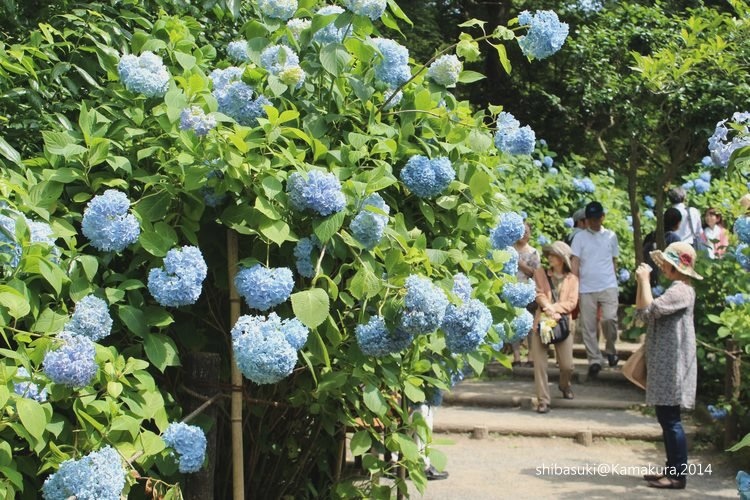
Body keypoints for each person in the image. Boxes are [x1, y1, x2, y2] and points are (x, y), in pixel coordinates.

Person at [634, 242, 701, 490]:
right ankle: (671, 469)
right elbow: (643, 313)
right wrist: (643, 284)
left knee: (671, 419)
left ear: (675, 266)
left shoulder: (682, 290)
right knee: (666, 417)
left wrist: (643, 281)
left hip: (673, 365)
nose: (661, 267)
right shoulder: (675, 288)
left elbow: (652, 308)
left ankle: (677, 475)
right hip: (665, 363)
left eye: (665, 263)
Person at [570, 201, 620, 376]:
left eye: (596, 218)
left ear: (602, 217)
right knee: (588, 326)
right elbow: (574, 262)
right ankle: (594, 359)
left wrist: (613, 280)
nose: (593, 222)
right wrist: (573, 285)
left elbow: (614, 262)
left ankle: (611, 350)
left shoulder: (611, 236)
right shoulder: (579, 237)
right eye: (590, 219)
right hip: (586, 287)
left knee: (609, 319)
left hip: (608, 285)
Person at [529, 241, 579, 414]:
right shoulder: (540, 273)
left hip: (563, 324)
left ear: (562, 259)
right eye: (549, 253)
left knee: (567, 365)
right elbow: (538, 293)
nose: (549, 257)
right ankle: (543, 400)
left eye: (554, 254)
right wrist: (548, 309)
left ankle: (565, 385)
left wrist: (554, 309)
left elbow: (572, 302)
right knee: (540, 364)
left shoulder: (573, 279)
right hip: (541, 322)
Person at [511, 222, 540, 367]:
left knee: (530, 325)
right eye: (521, 231)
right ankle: (516, 357)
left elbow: (534, 273)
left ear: (530, 234)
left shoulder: (533, 252)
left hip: (528, 293)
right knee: (513, 325)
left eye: (526, 231)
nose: (523, 234)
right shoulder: (508, 250)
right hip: (512, 292)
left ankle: (531, 356)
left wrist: (520, 264)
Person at [643, 208, 682, 285]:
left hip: (648, 276)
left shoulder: (650, 236)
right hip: (665, 280)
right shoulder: (674, 239)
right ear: (677, 223)